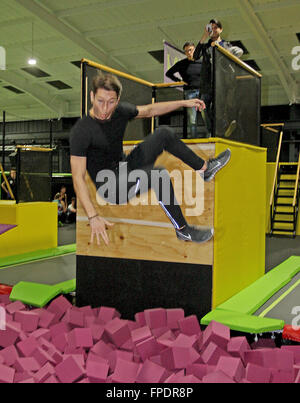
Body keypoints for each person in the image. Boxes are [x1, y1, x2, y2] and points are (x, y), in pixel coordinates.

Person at [70, 72, 231, 246]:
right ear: (92, 96)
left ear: (117, 101)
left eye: (111, 102)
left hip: (125, 166)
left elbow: (149, 110)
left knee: (164, 133)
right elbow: (77, 177)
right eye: (100, 101)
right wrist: (93, 216)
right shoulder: (82, 131)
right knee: (158, 175)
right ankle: (183, 230)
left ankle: (205, 169)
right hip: (111, 186)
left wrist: (184, 103)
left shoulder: (120, 111)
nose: (105, 109)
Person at [193, 19, 244, 136]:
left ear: (220, 30)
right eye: (211, 28)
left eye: (216, 27)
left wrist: (224, 51)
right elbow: (195, 56)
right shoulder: (205, 46)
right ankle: (213, 130)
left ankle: (220, 130)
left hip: (221, 83)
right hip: (207, 83)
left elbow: (238, 53)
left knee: (218, 109)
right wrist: (204, 36)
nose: (213, 30)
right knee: (203, 106)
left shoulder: (227, 45)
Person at [165, 42, 202, 139]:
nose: (189, 52)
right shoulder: (182, 64)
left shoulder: (201, 62)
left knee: (206, 116)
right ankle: (194, 139)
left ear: (194, 50)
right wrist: (179, 81)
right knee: (192, 119)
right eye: (186, 51)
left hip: (202, 92)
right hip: (189, 92)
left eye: (190, 50)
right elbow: (169, 73)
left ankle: (210, 138)